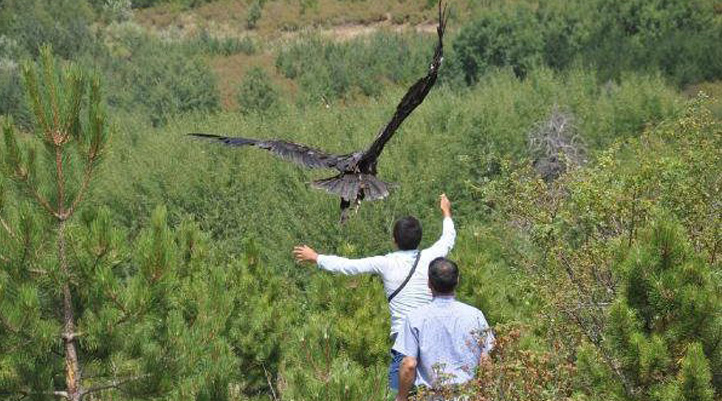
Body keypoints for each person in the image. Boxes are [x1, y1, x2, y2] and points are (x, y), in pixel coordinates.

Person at [293, 194, 456, 390]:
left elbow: (348, 266)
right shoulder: (431, 256)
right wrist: (446, 212)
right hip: (432, 344)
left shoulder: (385, 263)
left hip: (404, 344)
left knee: (397, 395)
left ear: (394, 240)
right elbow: (448, 238)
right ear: (419, 239)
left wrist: (316, 258)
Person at [392, 257, 494, 401]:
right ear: (457, 280)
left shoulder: (415, 317)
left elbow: (409, 365)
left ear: (429, 283)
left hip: (430, 396)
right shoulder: (475, 315)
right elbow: (485, 360)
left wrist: (401, 398)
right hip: (467, 395)